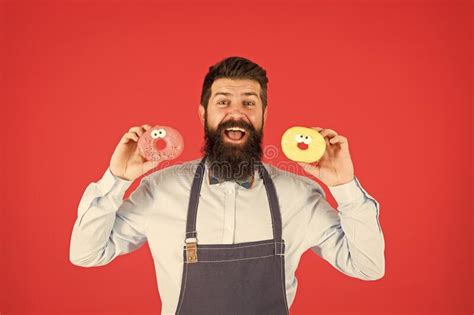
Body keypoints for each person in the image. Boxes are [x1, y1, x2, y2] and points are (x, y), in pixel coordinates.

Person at [69, 56, 385, 315]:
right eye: (223, 102)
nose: (236, 113)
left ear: (264, 115)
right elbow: (87, 253)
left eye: (249, 103)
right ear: (203, 113)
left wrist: (345, 187)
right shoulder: (160, 190)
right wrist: (117, 178)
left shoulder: (298, 194)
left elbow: (368, 267)